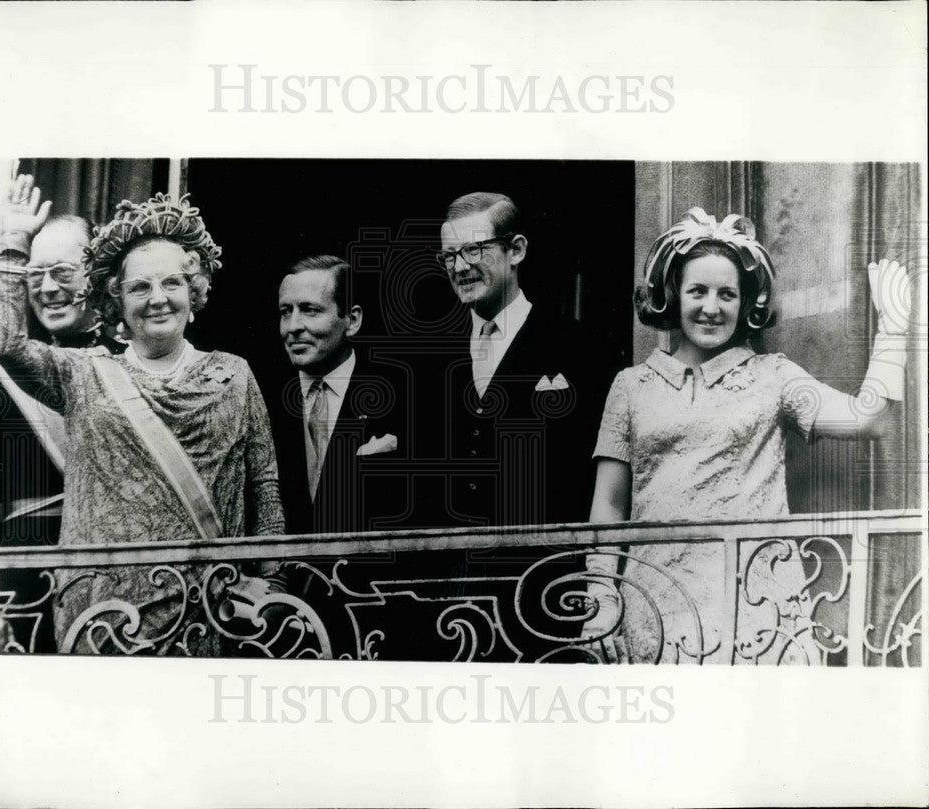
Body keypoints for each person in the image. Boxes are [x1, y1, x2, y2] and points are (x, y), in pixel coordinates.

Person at [587, 207, 911, 664]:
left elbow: (868, 419)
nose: (711, 307)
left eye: (727, 294)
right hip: (655, 606)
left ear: (746, 303)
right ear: (672, 294)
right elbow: (609, 506)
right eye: (697, 290)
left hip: (758, 610)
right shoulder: (630, 387)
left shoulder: (773, 377)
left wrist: (893, 332)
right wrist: (601, 600)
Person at [0, 175, 284, 654]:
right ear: (117, 302)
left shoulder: (234, 375)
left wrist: (276, 586)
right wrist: (14, 244)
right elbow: (5, 345)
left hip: (208, 610)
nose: (158, 297)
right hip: (103, 617)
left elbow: (264, 485)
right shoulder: (81, 374)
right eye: (139, 287)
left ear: (195, 292)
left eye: (172, 282)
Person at [0, 208, 125, 653]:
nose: (48, 289)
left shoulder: (132, 362)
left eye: (63, 272)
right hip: (22, 591)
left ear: (98, 274)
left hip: (122, 583)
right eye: (35, 274)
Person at [431, 192, 599, 660]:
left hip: (545, 598)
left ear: (516, 250)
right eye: (449, 255)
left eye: (474, 249)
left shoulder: (579, 346)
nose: (459, 266)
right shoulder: (429, 359)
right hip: (447, 607)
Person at [271, 254, 411, 535]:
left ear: (352, 320)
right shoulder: (263, 399)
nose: (293, 326)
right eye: (286, 311)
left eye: (310, 310)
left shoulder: (402, 395)